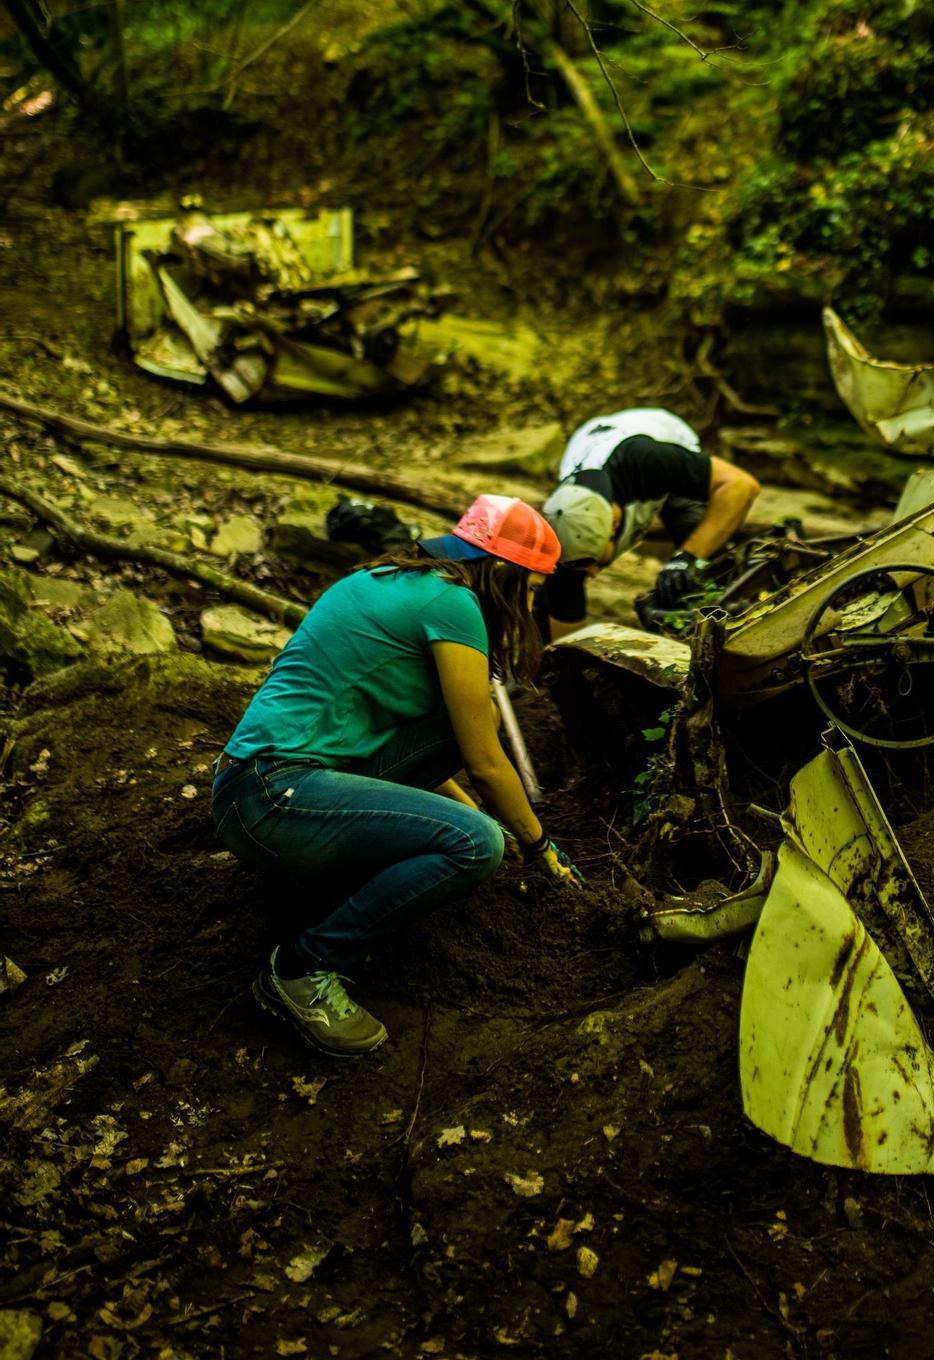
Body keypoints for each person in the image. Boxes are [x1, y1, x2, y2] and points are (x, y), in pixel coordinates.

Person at [212, 494, 581, 1058]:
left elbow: (454, 744)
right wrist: (539, 846)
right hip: (271, 795)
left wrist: (468, 807)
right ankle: (303, 969)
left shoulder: (389, 575)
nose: (529, 605)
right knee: (475, 845)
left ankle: (316, 878)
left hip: (268, 783)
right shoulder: (453, 604)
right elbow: (485, 761)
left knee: (451, 741)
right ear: (504, 570)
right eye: (530, 588)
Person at [539, 407, 761, 639]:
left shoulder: (647, 460)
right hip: (590, 442)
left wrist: (686, 557)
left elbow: (742, 486)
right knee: (556, 593)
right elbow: (565, 641)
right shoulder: (565, 530)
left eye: (595, 562)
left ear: (614, 525)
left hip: (656, 434)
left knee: (703, 562)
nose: (593, 573)